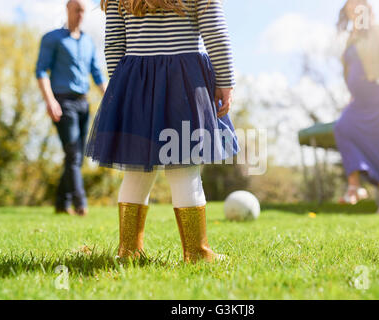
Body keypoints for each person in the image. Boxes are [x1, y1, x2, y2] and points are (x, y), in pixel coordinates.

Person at [85, 0, 240, 263]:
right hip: (185, 80)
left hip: (135, 79)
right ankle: (196, 252)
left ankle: (129, 251)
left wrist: (121, 89)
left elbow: (113, 43)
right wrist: (225, 81)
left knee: (136, 171)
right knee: (184, 166)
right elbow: (215, 30)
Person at [36, 0, 107, 216]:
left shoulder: (87, 42)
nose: (80, 15)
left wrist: (113, 99)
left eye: (84, 11)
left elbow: (97, 74)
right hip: (62, 101)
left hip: (83, 103)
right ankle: (80, 203)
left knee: (74, 156)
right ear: (67, 9)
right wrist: (50, 100)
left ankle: (61, 203)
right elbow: (41, 71)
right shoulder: (52, 38)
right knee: (73, 153)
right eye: (77, 10)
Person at [334, 0, 379, 215]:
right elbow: (348, 69)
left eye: (358, 4)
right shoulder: (350, 39)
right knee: (343, 127)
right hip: (359, 101)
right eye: (350, 6)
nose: (354, 8)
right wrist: (352, 93)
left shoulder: (376, 31)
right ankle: (354, 186)